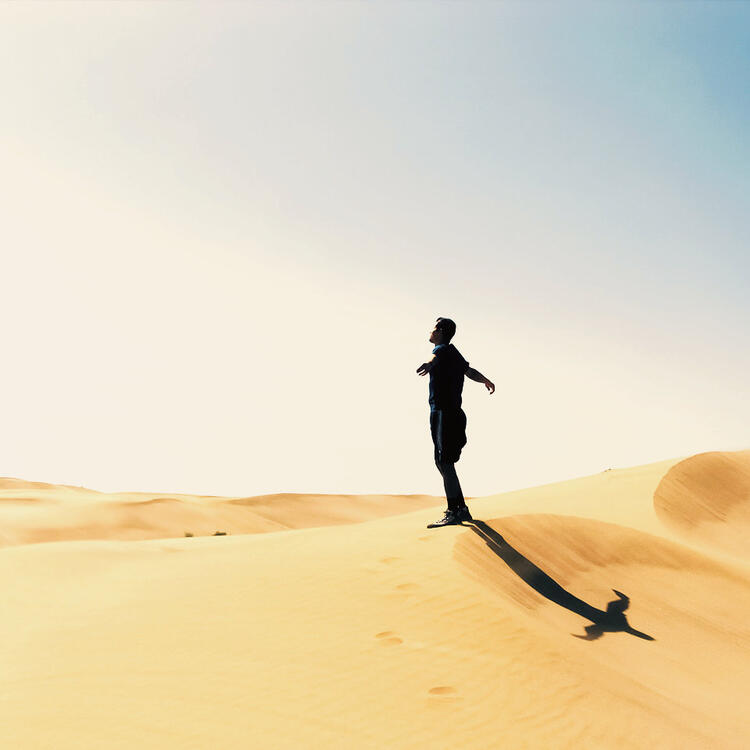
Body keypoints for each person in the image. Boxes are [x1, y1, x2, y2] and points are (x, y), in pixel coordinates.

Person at [416, 317, 495, 527]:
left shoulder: (441, 350)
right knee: (442, 461)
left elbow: (435, 359)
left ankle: (455, 511)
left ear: (441, 332)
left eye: (433, 329)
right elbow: (469, 371)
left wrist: (428, 364)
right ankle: (460, 509)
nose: (430, 332)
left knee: (444, 462)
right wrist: (485, 380)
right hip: (449, 412)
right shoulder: (454, 352)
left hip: (444, 412)